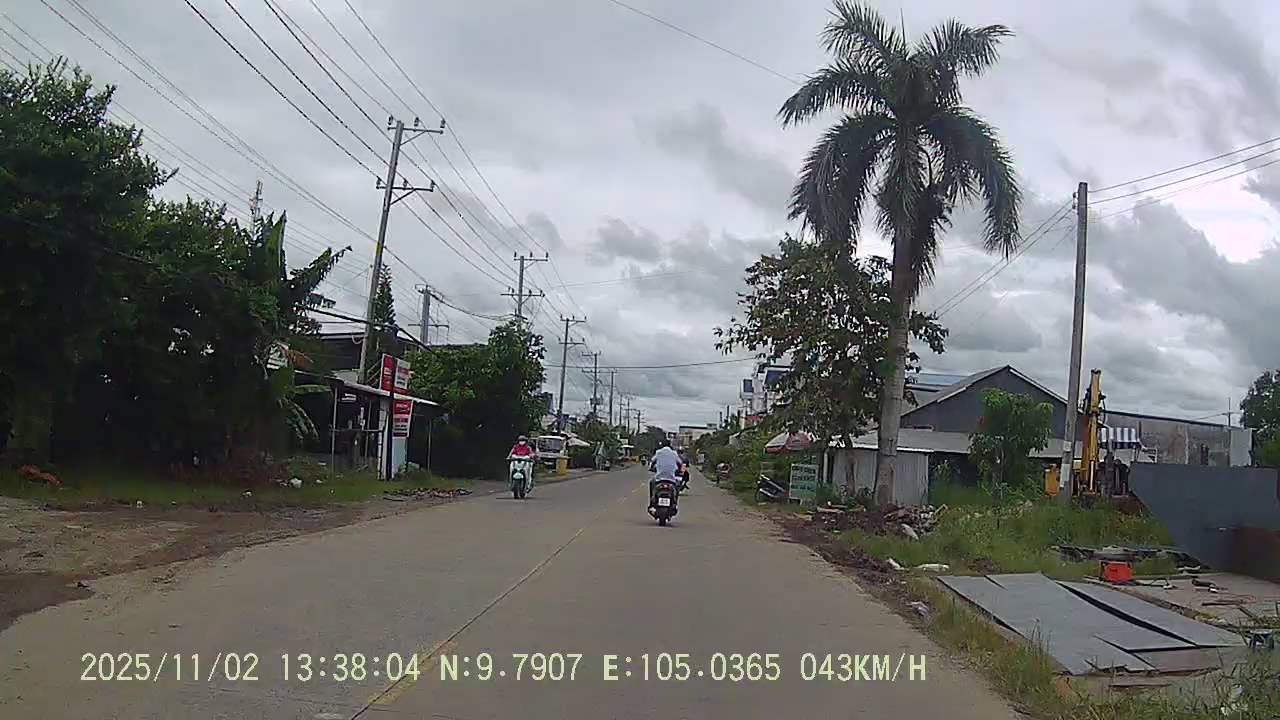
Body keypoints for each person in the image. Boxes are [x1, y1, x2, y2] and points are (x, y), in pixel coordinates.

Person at [648, 439, 681, 507]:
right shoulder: (674, 453)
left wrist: (651, 468)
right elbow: (680, 463)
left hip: (659, 479)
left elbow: (652, 461)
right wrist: (680, 471)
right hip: (671, 479)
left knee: (651, 483)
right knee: (677, 485)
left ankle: (651, 502)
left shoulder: (658, 452)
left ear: (662, 445)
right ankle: (675, 503)